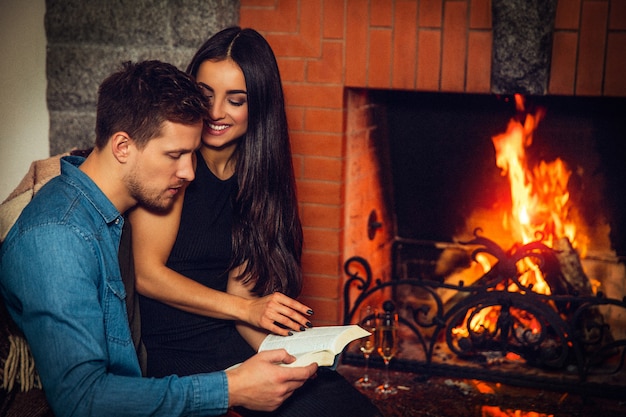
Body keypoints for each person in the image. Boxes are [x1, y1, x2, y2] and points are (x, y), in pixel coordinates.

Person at [0, 60, 317, 417]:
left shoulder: (106, 216)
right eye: (175, 155)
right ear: (122, 146)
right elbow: (81, 400)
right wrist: (231, 389)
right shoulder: (58, 238)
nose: (189, 172)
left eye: (192, 154)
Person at [129, 28, 382, 417]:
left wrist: (289, 357)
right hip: (174, 349)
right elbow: (146, 274)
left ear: (260, 105)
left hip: (227, 337)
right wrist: (246, 311)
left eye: (236, 100)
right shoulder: (177, 165)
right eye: (205, 94)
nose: (215, 113)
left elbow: (243, 296)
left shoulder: (257, 178)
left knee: (346, 407)